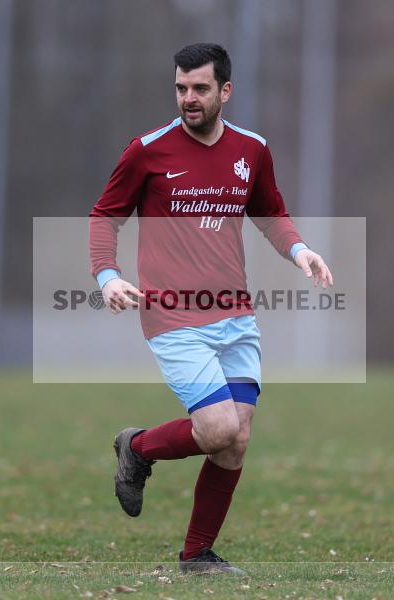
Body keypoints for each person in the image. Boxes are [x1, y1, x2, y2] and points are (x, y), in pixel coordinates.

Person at [88, 43, 333, 573]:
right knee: (220, 428)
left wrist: (300, 250)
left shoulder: (252, 149)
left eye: (200, 88)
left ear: (226, 90)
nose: (188, 99)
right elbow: (105, 215)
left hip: (236, 316)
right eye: (180, 88)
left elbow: (270, 213)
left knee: (236, 442)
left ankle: (197, 555)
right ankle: (140, 448)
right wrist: (107, 276)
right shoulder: (148, 150)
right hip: (173, 316)